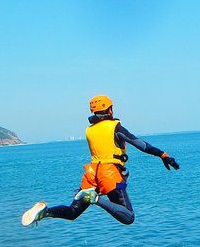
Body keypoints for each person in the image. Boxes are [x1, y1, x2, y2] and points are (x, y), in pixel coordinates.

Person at [22, 94, 180, 226]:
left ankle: (44, 212)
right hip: (109, 175)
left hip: (92, 174)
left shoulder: (90, 130)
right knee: (128, 217)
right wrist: (163, 155)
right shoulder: (115, 127)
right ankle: (95, 198)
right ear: (110, 109)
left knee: (72, 212)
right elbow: (140, 144)